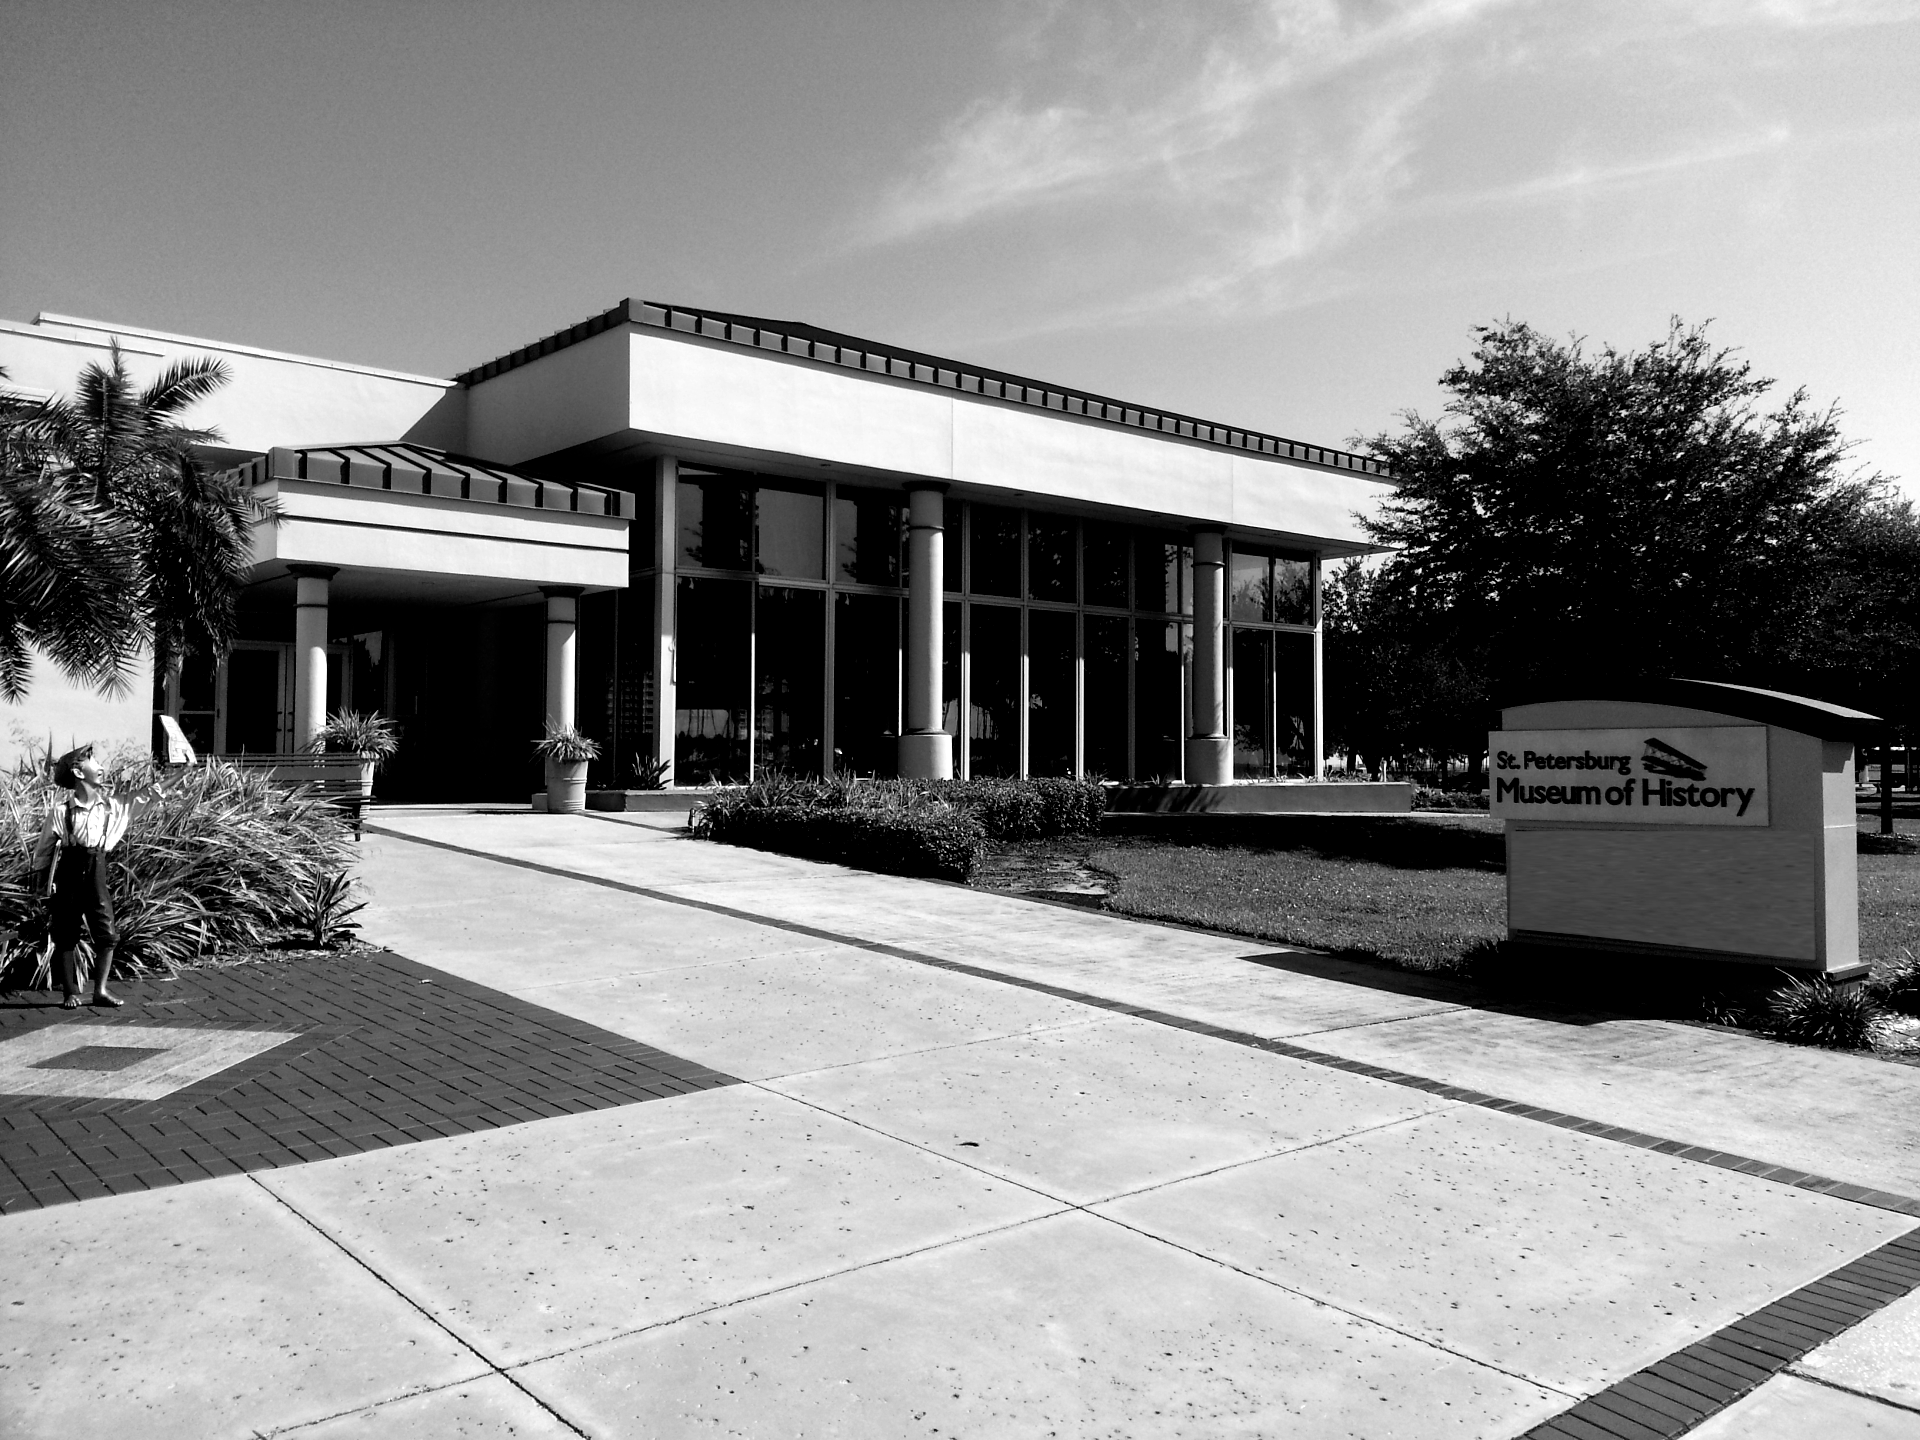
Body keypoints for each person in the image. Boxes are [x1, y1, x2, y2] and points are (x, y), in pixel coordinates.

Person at [31, 743, 132, 1009]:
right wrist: (40, 884)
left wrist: (183, 771)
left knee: (107, 933)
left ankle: (100, 990)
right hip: (69, 874)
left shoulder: (109, 808)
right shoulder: (61, 812)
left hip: (96, 872)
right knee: (65, 932)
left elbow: (146, 797)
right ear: (78, 772)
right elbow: (43, 852)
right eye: (94, 761)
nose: (100, 766)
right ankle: (69, 992)